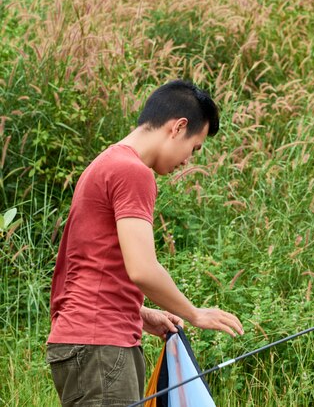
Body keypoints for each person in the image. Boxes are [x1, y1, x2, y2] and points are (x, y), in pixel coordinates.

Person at [46, 80, 244, 407]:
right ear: (178, 127)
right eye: (194, 148)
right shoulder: (133, 171)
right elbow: (142, 269)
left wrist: (139, 313)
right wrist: (194, 314)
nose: (188, 162)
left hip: (84, 342)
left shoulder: (106, 163)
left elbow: (90, 269)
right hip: (101, 349)